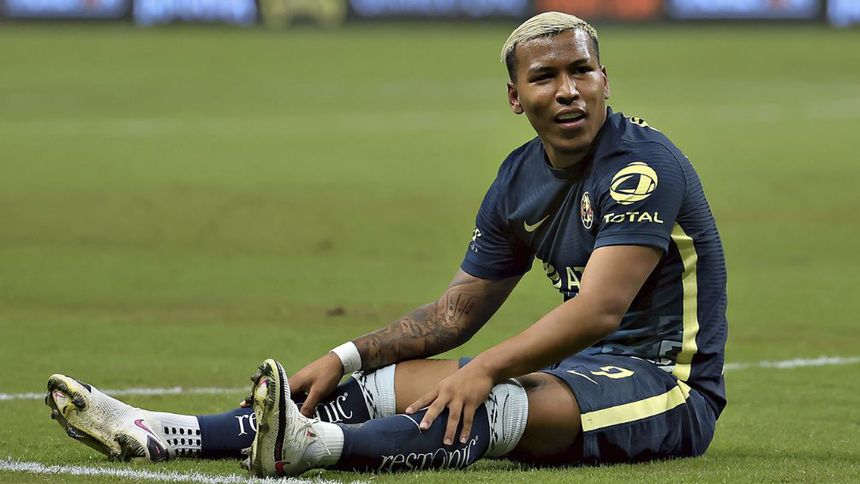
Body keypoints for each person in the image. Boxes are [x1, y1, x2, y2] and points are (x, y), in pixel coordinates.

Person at [45, 11, 727, 477]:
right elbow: (454, 314)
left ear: (606, 80)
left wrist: (484, 369)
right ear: (516, 97)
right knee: (374, 387)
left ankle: (312, 449)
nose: (570, 90)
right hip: (583, 373)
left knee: (483, 401)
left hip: (668, 389)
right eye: (546, 77)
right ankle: (169, 430)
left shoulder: (642, 166)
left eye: (582, 71)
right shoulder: (517, 179)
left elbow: (599, 310)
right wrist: (343, 356)